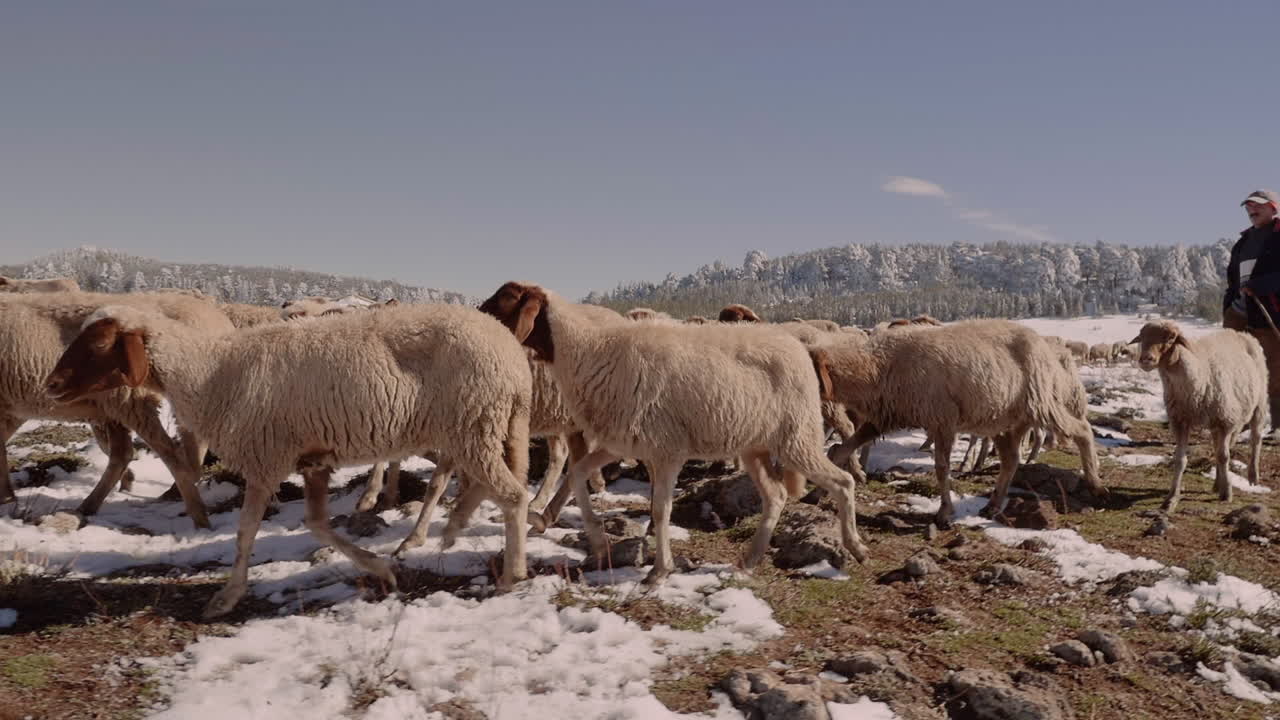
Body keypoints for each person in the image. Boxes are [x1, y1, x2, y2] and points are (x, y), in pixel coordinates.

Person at [1224, 188, 1280, 433]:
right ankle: (1243, 422)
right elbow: (1233, 280)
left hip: (1271, 312)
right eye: (1248, 207)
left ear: (1273, 207)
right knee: (1239, 367)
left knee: (1274, 367)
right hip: (1241, 311)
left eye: (1257, 205)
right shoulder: (1243, 242)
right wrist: (1229, 306)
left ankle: (1278, 425)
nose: (1251, 210)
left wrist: (1260, 285)